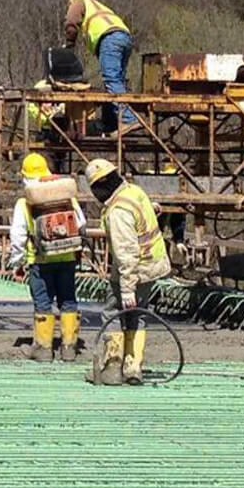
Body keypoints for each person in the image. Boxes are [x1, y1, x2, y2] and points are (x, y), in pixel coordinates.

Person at [85, 158, 172, 385]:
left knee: (113, 313)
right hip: (152, 265)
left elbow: (125, 253)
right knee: (138, 314)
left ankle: (113, 367)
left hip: (134, 270)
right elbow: (145, 213)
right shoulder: (134, 192)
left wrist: (126, 288)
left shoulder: (118, 212)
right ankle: (133, 368)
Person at [7, 152, 86, 361]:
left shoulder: (25, 203)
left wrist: (17, 262)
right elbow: (81, 224)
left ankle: (43, 348)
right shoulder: (66, 197)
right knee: (68, 300)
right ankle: (69, 348)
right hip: (67, 258)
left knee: (43, 302)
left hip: (40, 261)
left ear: (25, 176)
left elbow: (17, 236)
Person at [63, 0, 139, 131]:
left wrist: (69, 45)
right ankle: (112, 125)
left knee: (111, 80)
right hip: (124, 38)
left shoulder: (79, 1)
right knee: (117, 81)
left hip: (109, 39)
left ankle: (129, 119)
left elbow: (71, 23)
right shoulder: (100, 6)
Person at [22, 47, 92, 149]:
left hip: (65, 126)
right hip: (48, 127)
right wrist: (47, 113)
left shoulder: (73, 90)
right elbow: (33, 107)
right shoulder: (41, 88)